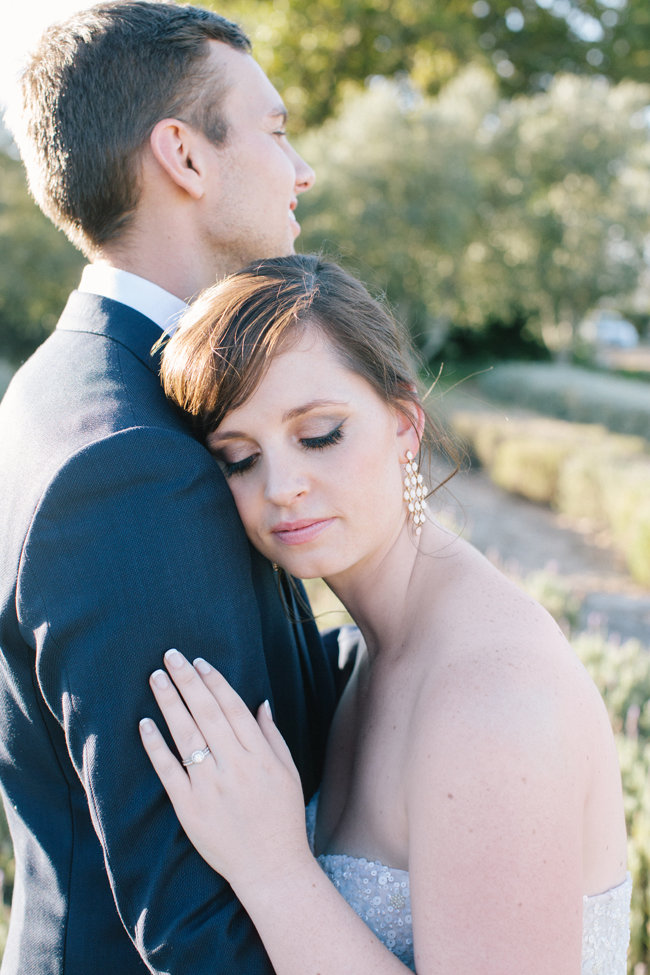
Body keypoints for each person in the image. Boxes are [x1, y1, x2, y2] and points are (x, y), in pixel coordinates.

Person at [140, 254, 631, 974]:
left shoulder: (491, 693)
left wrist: (274, 870)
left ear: (405, 422)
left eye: (319, 435)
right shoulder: (369, 650)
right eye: (239, 458)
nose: (281, 486)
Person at [0, 5, 345, 974]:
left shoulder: (75, 388)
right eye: (275, 133)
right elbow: (198, 929)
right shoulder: (127, 465)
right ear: (184, 158)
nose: (301, 170)